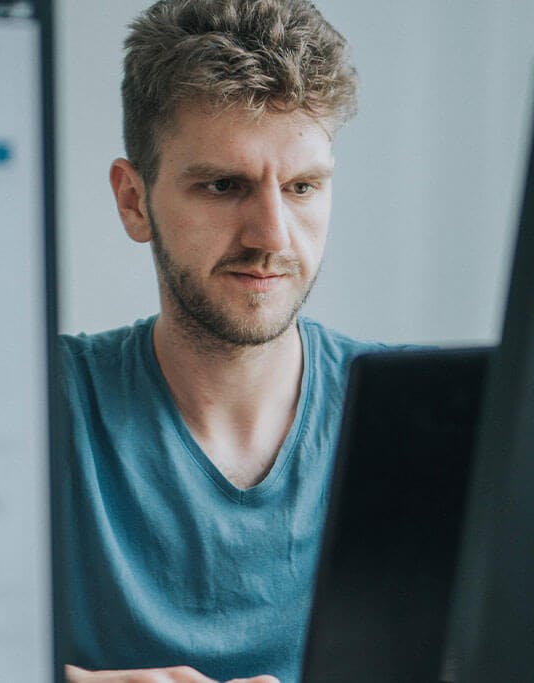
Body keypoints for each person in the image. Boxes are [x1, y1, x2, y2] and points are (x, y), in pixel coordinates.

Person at [57, 1, 394, 681]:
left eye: (302, 187)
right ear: (134, 200)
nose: (272, 235)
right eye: (223, 184)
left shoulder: (411, 420)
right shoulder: (43, 408)